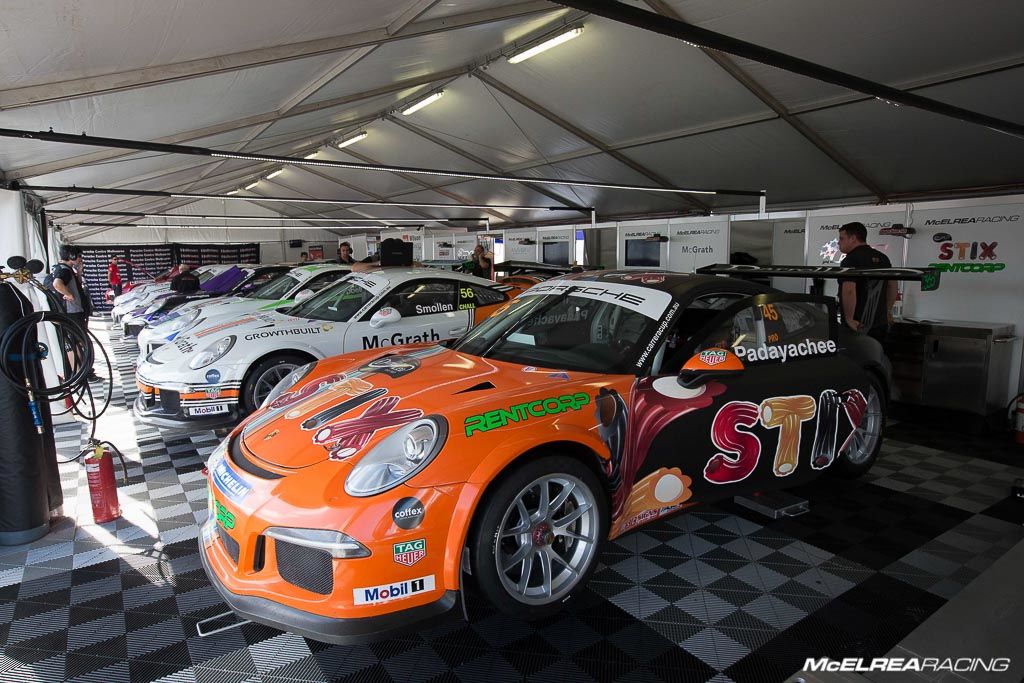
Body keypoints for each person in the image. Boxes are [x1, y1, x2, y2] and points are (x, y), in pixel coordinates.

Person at [837, 221, 896, 343]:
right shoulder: (883, 258)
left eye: (842, 238)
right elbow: (892, 285)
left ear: (853, 238)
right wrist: (888, 311)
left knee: (855, 355)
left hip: (857, 325)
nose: (838, 242)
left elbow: (849, 291)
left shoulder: (850, 260)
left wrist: (849, 319)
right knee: (877, 353)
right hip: (880, 323)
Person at [50, 245, 100, 382]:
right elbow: (57, 284)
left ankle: (82, 372)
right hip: (72, 314)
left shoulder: (64, 269)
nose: (80, 259)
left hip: (73, 313)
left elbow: (74, 285)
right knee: (76, 343)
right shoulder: (64, 271)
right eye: (78, 256)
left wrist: (78, 273)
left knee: (78, 342)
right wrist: (68, 294)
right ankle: (80, 373)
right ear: (71, 256)